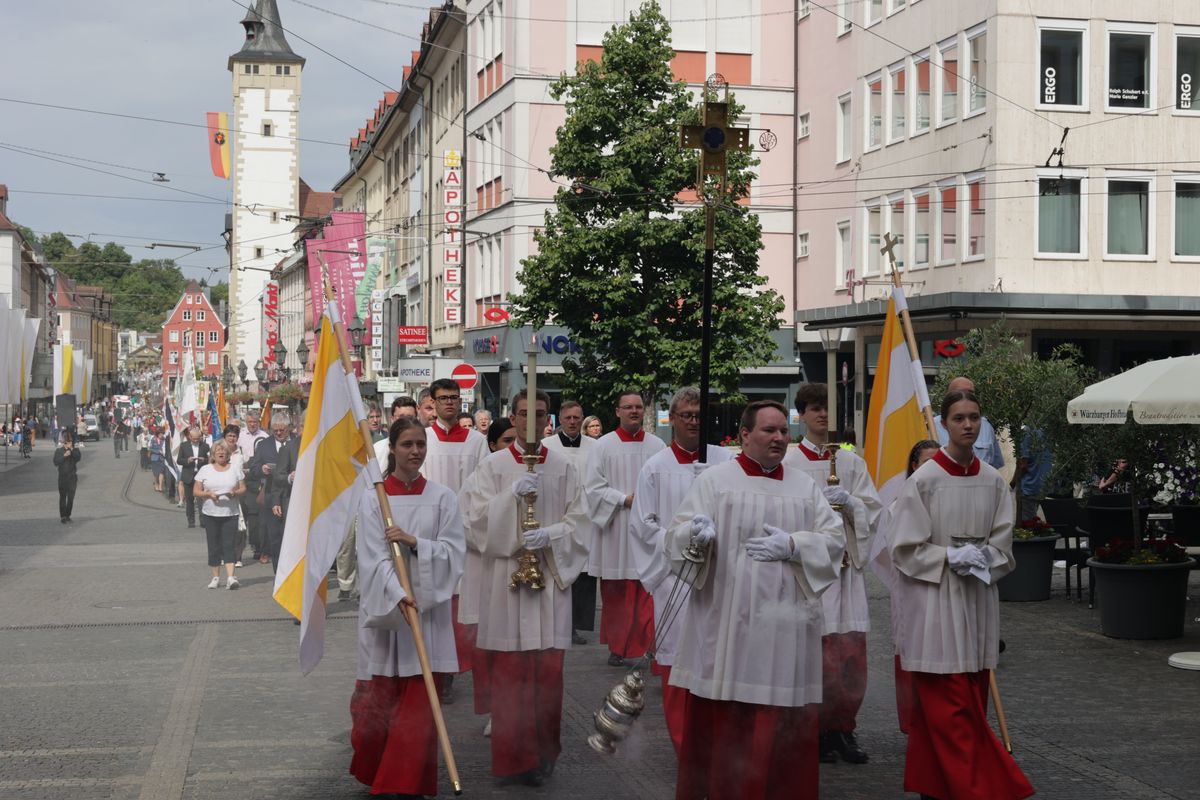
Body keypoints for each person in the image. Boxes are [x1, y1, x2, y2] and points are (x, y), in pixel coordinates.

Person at [666, 400, 845, 800]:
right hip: (727, 624)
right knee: (729, 723)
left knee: (781, 728)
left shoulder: (804, 487)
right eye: (770, 430)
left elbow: (835, 542)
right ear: (745, 435)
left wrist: (796, 545)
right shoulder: (714, 482)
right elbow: (675, 540)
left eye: (784, 430)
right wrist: (696, 536)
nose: (780, 437)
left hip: (786, 631)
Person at [889, 390, 1033, 800]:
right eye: (958, 418)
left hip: (976, 602)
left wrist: (985, 556)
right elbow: (904, 548)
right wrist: (949, 555)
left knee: (970, 701)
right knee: (950, 713)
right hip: (935, 606)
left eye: (974, 417)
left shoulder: (993, 481)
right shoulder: (924, 481)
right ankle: (986, 788)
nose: (967, 425)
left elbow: (1004, 545)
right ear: (945, 424)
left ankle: (935, 788)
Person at [460, 389, 590, 786]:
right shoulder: (493, 465)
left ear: (547, 418)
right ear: (512, 418)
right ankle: (515, 759)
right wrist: (506, 500)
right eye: (522, 414)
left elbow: (581, 523)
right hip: (505, 584)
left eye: (538, 414)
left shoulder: (565, 467)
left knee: (548, 676)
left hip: (548, 585)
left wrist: (549, 534)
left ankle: (543, 755)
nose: (530, 422)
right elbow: (470, 521)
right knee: (510, 675)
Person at [349, 416, 466, 798]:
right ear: (392, 449)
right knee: (380, 703)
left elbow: (454, 554)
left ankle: (401, 783)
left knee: (418, 704)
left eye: (420, 444)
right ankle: (380, 770)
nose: (415, 452)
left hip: (426, 617)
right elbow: (371, 556)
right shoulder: (374, 498)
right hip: (389, 614)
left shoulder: (443, 497)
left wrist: (416, 543)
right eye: (408, 445)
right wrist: (397, 594)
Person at [628, 387, 733, 754]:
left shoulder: (726, 461)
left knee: (719, 660)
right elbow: (643, 525)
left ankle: (718, 744)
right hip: (675, 580)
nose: (693, 422)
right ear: (672, 419)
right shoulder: (655, 466)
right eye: (686, 415)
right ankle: (686, 745)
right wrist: (682, 543)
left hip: (721, 578)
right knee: (677, 663)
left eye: (699, 415)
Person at [784, 384, 883, 765]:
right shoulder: (791, 464)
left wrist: (852, 502)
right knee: (818, 655)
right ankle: (816, 729)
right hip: (814, 575)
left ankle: (844, 727)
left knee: (850, 656)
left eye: (827, 408)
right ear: (802, 414)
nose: (822, 415)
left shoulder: (850, 461)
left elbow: (873, 510)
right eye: (814, 408)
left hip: (847, 574)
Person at [412, 378, 490, 705]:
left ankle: (456, 671)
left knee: (461, 610)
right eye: (443, 398)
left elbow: (486, 486)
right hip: (430, 535)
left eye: (454, 398)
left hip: (466, 533)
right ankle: (436, 674)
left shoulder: (475, 442)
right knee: (434, 608)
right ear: (432, 401)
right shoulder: (423, 440)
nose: (449, 403)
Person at [585, 390, 665, 666]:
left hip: (647, 528)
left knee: (648, 588)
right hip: (616, 526)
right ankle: (618, 646)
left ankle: (648, 645)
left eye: (638, 407)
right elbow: (592, 488)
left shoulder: (657, 446)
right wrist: (623, 499)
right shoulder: (603, 446)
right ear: (617, 411)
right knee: (617, 590)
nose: (634, 411)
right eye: (628, 407)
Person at [868, 439, 939, 735]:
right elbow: (888, 555)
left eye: (939, 462)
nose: (933, 469)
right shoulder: (898, 507)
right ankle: (914, 722)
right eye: (927, 462)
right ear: (914, 466)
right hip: (911, 594)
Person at [542, 400, 597, 645]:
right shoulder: (547, 445)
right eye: (568, 418)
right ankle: (556, 620)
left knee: (583, 571)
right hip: (558, 513)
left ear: (582, 419)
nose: (573, 422)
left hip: (587, 514)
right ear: (560, 420)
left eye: (577, 418)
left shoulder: (595, 447)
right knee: (558, 567)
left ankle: (577, 622)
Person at [194, 440, 246, 590]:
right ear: (213, 454)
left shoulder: (235, 469)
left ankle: (231, 577)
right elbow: (196, 491)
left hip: (230, 513)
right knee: (214, 545)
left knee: (229, 544)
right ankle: (215, 577)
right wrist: (208, 494)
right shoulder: (205, 469)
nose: (221, 453)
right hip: (211, 513)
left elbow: (243, 488)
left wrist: (234, 493)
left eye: (223, 451)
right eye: (218, 451)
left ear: (228, 454)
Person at [250, 414, 293, 572]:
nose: (279, 433)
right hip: (270, 497)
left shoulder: (296, 442)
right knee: (275, 538)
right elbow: (253, 468)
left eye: (282, 430)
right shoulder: (264, 445)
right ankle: (279, 573)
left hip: (292, 495)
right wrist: (262, 469)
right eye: (276, 431)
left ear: (289, 428)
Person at [933, 376, 1004, 469]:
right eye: (958, 419)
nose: (968, 425)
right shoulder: (931, 427)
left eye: (970, 393)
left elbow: (994, 465)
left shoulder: (986, 426)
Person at [238, 411, 269, 563]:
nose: (252, 424)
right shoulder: (240, 436)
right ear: (246, 421)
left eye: (255, 422)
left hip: (258, 477)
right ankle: (245, 545)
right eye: (250, 422)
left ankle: (258, 546)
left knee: (256, 514)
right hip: (244, 476)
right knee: (246, 514)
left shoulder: (264, 436)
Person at [178, 426, 211, 529]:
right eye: (194, 438)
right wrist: (187, 461)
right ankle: (191, 520)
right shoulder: (184, 446)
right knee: (189, 500)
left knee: (201, 499)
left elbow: (210, 460)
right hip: (188, 475)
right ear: (190, 437)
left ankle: (203, 520)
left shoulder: (205, 446)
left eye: (198, 438)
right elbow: (179, 460)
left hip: (201, 477)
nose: (196, 440)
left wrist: (204, 460)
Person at [53, 432, 82, 523]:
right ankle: (63, 516)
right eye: (66, 443)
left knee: (70, 498)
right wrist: (63, 456)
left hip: (72, 478)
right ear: (63, 443)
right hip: (62, 478)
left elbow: (78, 458)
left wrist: (72, 450)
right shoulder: (59, 451)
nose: (68, 444)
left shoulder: (75, 450)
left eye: (69, 442)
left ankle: (68, 514)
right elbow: (56, 462)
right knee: (62, 497)